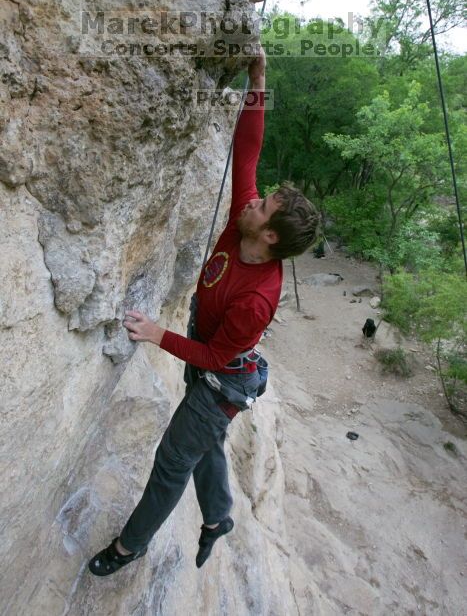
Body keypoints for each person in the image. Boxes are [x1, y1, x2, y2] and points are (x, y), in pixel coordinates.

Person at [88, 45, 321, 577]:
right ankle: (219, 516)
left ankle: (130, 546)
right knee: (205, 446)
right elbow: (248, 151)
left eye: (261, 207)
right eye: (260, 199)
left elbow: (217, 357)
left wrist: (156, 333)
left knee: (174, 462)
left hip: (222, 383)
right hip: (211, 353)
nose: (252, 201)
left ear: (268, 236)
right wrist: (259, 76)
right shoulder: (246, 222)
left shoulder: (256, 299)